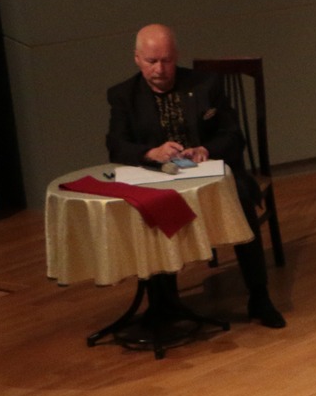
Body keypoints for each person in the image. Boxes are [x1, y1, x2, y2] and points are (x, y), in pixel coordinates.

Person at [105, 24, 286, 328]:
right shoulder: (123, 95)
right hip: (160, 180)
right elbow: (116, 145)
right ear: (137, 59)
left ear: (176, 56)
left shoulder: (205, 84)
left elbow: (234, 136)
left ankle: (259, 296)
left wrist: (206, 149)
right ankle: (164, 302)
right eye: (151, 61)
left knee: (241, 197)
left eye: (166, 60)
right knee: (148, 206)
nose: (160, 69)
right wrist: (151, 153)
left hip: (213, 178)